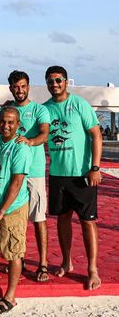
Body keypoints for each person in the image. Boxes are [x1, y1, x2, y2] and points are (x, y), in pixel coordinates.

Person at [44, 66, 102, 291]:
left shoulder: (79, 104)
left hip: (82, 174)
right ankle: (66, 262)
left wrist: (95, 168)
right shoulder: (45, 109)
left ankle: (92, 269)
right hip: (58, 174)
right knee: (63, 219)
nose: (54, 84)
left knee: (88, 221)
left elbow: (96, 135)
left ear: (66, 82)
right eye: (50, 81)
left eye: (58, 80)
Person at [0, 106, 31, 313]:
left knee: (13, 253)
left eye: (11, 122)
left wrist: (2, 211)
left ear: (18, 125)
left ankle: (10, 296)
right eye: (3, 121)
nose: (6, 125)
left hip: (11, 208)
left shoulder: (20, 147)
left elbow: (16, 182)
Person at [7, 70, 50, 282]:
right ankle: (18, 258)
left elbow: (44, 133)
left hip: (34, 172)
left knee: (38, 218)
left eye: (23, 86)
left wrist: (30, 141)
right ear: (11, 89)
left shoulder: (39, 110)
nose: (20, 90)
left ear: (28, 87)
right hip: (13, 173)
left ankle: (43, 263)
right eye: (16, 87)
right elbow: (1, 133)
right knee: (18, 220)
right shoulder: (8, 110)